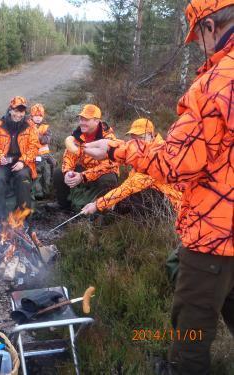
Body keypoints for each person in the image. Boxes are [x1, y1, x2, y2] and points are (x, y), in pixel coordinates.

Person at [83, 1, 233, 372]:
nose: (200, 43)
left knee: (191, 327)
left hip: (215, 232)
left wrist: (117, 149)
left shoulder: (217, 84)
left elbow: (175, 164)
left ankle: (180, 366)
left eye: (199, 35)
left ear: (211, 26)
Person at [81, 118, 183, 216]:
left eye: (141, 138)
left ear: (151, 135)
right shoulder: (139, 155)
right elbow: (131, 183)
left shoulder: (157, 154)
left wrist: (98, 204)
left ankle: (146, 230)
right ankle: (108, 220)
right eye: (134, 139)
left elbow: (131, 186)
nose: (138, 143)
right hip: (155, 195)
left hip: (172, 204)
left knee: (137, 198)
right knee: (124, 200)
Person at [52, 104, 119, 212]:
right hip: (84, 170)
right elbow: (69, 156)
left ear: (97, 121)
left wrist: (83, 176)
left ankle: (102, 212)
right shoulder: (77, 135)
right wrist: (67, 173)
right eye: (81, 119)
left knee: (109, 180)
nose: (82, 122)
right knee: (58, 173)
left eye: (86, 120)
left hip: (102, 172)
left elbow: (109, 165)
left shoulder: (109, 138)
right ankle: (64, 207)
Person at [0, 96, 39, 220]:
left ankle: (23, 215)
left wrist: (23, 161)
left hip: (22, 162)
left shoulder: (30, 126)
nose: (18, 114)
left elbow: (34, 147)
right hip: (3, 162)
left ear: (24, 112)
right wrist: (0, 157)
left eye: (21, 111)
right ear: (10, 110)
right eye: (16, 110)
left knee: (23, 178)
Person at [30, 103, 56, 199]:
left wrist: (38, 135)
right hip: (34, 154)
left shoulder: (45, 127)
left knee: (53, 163)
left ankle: (52, 184)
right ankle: (37, 190)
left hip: (45, 153)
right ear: (32, 116)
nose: (38, 118)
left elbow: (46, 140)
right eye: (36, 115)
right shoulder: (28, 126)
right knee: (39, 170)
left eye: (40, 116)